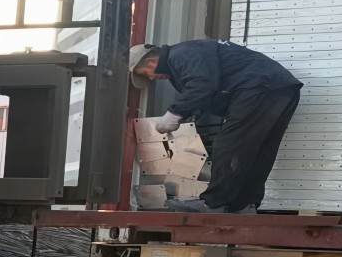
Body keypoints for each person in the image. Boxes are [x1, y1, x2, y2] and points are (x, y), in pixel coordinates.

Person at [129, 39, 302, 214]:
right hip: (281, 89)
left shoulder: (181, 55)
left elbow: (202, 85)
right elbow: (208, 91)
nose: (151, 78)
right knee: (258, 151)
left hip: (259, 87)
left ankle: (214, 203)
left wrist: (175, 113)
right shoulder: (184, 58)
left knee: (229, 145)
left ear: (151, 61)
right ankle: (245, 204)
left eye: (146, 73)